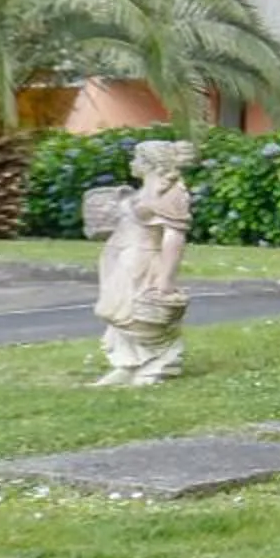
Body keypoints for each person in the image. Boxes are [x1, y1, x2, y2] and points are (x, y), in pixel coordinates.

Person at [93, 140, 196, 385]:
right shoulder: (144, 189)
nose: (132, 163)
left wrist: (166, 280)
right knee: (119, 310)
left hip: (144, 258)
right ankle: (126, 363)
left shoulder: (171, 193)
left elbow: (174, 236)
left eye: (137, 159)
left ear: (151, 163)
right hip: (124, 256)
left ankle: (158, 363)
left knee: (139, 314)